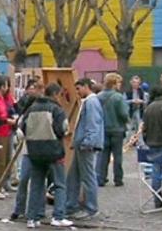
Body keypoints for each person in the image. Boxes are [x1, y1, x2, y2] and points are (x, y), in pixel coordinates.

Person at [20, 82, 72, 228]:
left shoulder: (31, 109)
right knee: (60, 184)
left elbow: (22, 128)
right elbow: (62, 128)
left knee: (36, 185)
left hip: (34, 151)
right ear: (55, 94)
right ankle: (58, 216)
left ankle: (32, 218)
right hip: (53, 150)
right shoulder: (56, 109)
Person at [66, 78, 104, 221]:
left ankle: (91, 208)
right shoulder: (88, 102)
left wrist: (87, 142)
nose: (77, 92)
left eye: (78, 88)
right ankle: (71, 205)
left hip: (86, 146)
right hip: (81, 144)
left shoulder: (91, 102)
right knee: (73, 176)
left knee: (88, 177)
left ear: (86, 87)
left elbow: (93, 125)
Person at [9, 79, 43, 222]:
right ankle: (19, 209)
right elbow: (21, 124)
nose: (32, 91)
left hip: (40, 149)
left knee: (39, 181)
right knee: (24, 180)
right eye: (31, 88)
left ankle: (37, 210)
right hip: (27, 149)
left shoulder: (45, 106)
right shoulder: (27, 105)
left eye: (35, 88)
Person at [96, 72, 129, 187]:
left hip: (103, 129)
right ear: (114, 84)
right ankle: (118, 179)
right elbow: (124, 114)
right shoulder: (118, 97)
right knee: (117, 156)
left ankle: (101, 178)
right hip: (117, 129)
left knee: (103, 155)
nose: (120, 85)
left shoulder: (98, 96)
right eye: (119, 82)